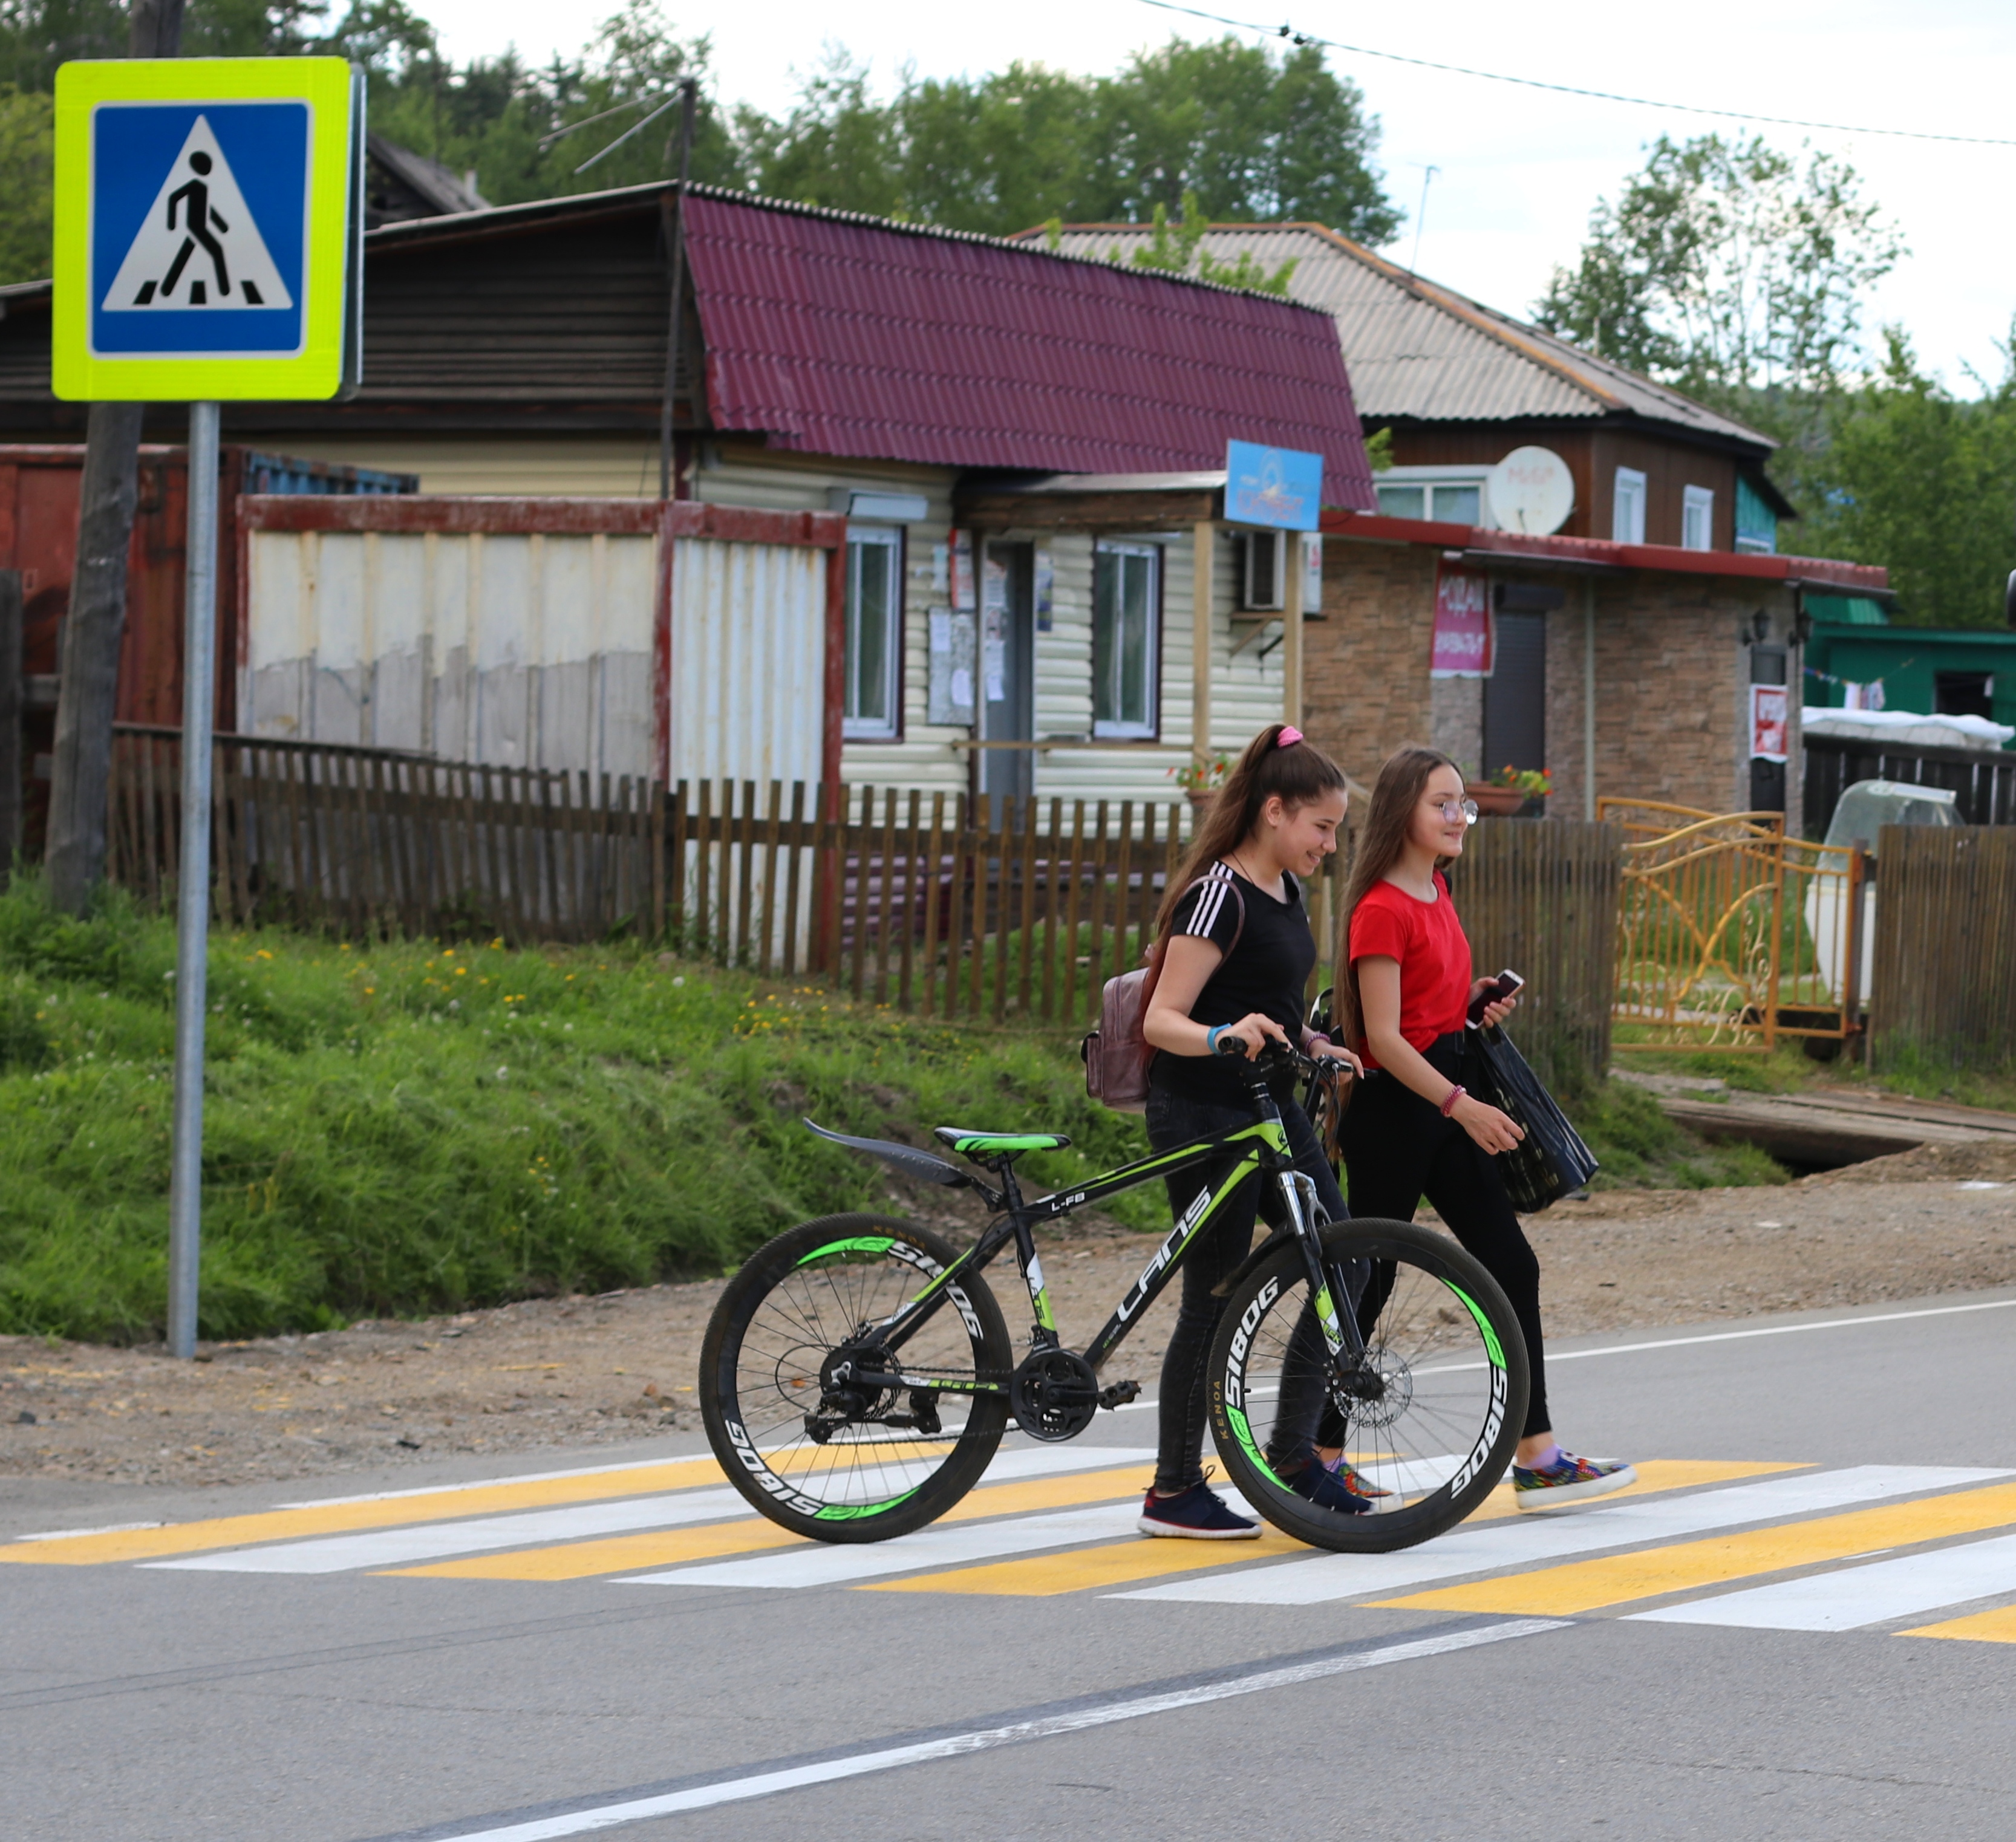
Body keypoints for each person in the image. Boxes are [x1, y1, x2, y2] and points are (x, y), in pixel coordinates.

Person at [1335, 747, 1636, 1509]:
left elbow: (1425, 1017)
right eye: (1444, 803)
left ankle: (1536, 1455)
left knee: (1512, 1264)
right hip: (1400, 1112)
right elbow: (1383, 1038)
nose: (1459, 816)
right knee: (1366, 1283)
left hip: (1442, 1097)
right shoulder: (1379, 906)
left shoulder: (1435, 891)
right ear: (1404, 809)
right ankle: (1318, 1453)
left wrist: (1471, 1006)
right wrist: (1459, 1105)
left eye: (1462, 804)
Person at [1135, 723, 1387, 1539]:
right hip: (1204, 1107)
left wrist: (1311, 1041)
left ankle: (1292, 1459)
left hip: (1271, 1108)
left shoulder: (1288, 890)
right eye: (1322, 826)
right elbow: (1163, 1019)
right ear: (1274, 811)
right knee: (1211, 1296)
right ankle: (1174, 1490)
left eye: (1337, 829)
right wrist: (1221, 1036)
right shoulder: (1220, 892)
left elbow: (1269, 1007)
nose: (1331, 843)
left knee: (1341, 1257)